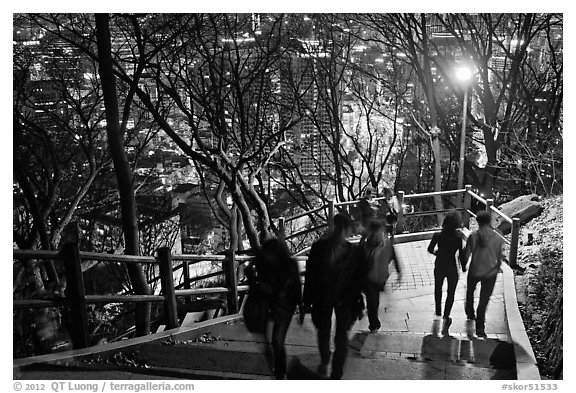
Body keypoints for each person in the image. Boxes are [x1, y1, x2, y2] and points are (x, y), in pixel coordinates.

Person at [302, 214, 365, 379]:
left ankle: (335, 370)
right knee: (330, 331)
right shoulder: (322, 248)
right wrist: (307, 300)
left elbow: (358, 278)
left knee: (337, 335)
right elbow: (311, 275)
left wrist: (359, 300)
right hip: (328, 296)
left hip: (342, 297)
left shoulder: (350, 251)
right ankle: (329, 362)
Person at [250, 238, 302, 379]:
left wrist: (301, 308)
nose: (268, 257)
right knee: (267, 339)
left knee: (277, 340)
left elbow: (297, 287)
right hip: (268, 305)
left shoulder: (289, 265)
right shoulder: (262, 264)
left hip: (286, 307)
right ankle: (276, 365)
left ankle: (280, 372)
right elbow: (255, 286)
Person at [463, 211, 504, 338]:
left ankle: (470, 312)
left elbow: (467, 253)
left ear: (477, 222)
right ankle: (480, 327)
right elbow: (499, 257)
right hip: (490, 272)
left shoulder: (473, 236)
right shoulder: (497, 237)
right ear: (489, 222)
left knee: (470, 291)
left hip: (475, 270)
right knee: (484, 299)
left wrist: (464, 265)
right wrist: (497, 268)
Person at [427, 210, 466, 335]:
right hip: (451, 267)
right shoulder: (458, 238)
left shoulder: (437, 235)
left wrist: (437, 253)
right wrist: (464, 267)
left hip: (439, 264)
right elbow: (461, 255)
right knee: (451, 292)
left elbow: (430, 249)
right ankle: (446, 315)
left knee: (438, 288)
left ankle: (438, 310)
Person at [360, 221, 401, 333]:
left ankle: (374, 322)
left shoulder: (387, 245)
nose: (380, 235)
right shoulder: (364, 248)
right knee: (372, 302)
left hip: (381, 279)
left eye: (380, 233)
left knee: (375, 302)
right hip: (368, 280)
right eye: (377, 233)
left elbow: (394, 258)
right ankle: (373, 324)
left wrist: (399, 273)